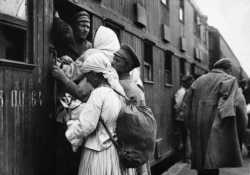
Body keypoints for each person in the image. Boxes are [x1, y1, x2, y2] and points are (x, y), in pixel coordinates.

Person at [62, 52, 136, 175]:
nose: (86, 79)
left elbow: (86, 126)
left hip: (98, 154)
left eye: (87, 75)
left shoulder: (98, 93)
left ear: (96, 75)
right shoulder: (117, 93)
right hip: (114, 152)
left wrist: (69, 123)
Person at [183, 58, 248, 175]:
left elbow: (186, 106)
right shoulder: (229, 80)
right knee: (212, 162)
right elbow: (240, 108)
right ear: (228, 69)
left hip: (197, 126)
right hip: (215, 126)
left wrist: (190, 126)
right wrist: (239, 130)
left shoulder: (197, 81)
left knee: (202, 165)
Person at [52, 9, 92, 175]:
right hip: (64, 98)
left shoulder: (89, 47)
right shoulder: (68, 38)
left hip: (80, 97)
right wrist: (61, 58)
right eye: (82, 25)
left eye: (88, 26)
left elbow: (78, 70)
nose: (85, 29)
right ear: (74, 26)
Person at [112, 44, 150, 175]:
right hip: (138, 146)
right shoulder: (135, 86)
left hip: (127, 146)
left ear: (127, 67)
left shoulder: (119, 86)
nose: (112, 63)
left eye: (117, 60)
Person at [174, 75, 193, 163]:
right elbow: (177, 106)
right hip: (181, 118)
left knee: (187, 136)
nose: (191, 83)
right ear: (185, 82)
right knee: (186, 136)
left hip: (184, 117)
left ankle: (188, 155)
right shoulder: (181, 92)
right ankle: (186, 156)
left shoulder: (185, 91)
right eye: (190, 81)